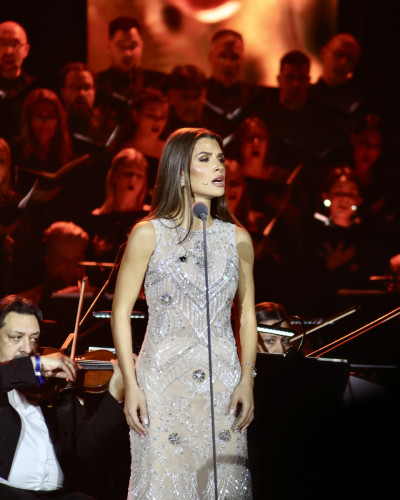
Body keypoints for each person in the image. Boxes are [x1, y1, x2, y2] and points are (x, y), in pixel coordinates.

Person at [111, 127, 257, 498]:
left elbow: (246, 315)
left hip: (223, 383)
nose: (219, 167)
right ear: (179, 172)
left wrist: (247, 379)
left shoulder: (237, 238)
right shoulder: (148, 234)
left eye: (220, 159)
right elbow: (120, 312)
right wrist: (131, 384)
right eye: (205, 159)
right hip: (161, 383)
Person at [0, 294, 125, 499]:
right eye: (16, 337)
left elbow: (84, 448)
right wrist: (37, 364)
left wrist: (115, 396)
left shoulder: (53, 389)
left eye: (34, 338)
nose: (28, 348)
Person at [96, 16, 167, 124]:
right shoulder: (96, 84)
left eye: (132, 46)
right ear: (109, 46)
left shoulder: (161, 83)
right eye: (121, 46)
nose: (127, 53)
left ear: (141, 46)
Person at [203, 29, 264, 140]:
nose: (228, 63)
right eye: (223, 56)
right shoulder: (198, 98)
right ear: (210, 57)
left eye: (234, 57)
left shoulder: (255, 100)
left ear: (242, 60)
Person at [0, 21, 34, 141]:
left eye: (14, 44)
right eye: (2, 44)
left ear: (26, 50)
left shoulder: (35, 89)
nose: (8, 51)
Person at [162, 64, 207, 138]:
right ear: (170, 97)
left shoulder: (212, 130)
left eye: (196, 96)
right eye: (185, 97)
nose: (192, 103)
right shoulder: (157, 132)